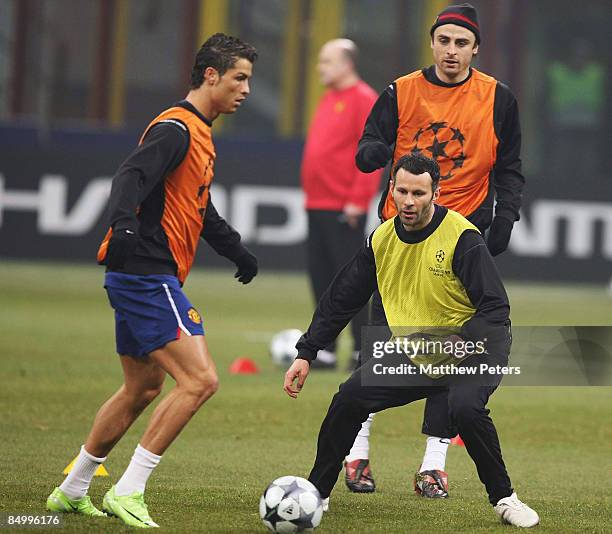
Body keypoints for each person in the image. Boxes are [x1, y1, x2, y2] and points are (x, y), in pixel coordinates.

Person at [45, 33, 258, 528]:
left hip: (143, 273)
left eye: (248, 79)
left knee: (142, 387)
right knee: (200, 380)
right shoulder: (176, 128)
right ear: (211, 76)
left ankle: (73, 489)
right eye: (239, 78)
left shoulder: (200, 133)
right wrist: (122, 224)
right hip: (145, 272)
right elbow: (128, 177)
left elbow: (199, 210)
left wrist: (237, 251)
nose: (245, 89)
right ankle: (129, 489)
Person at [284, 152, 539, 528]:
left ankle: (504, 498)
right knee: (350, 397)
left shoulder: (462, 237)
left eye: (419, 193)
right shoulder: (382, 239)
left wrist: (460, 343)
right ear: (391, 189)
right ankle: (316, 494)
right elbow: (342, 298)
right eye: (402, 190)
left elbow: (496, 308)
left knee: (465, 408)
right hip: (421, 351)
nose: (408, 201)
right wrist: (307, 352)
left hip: (478, 346)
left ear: (436, 193)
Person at [345, 2, 526, 496]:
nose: (451, 51)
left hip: (460, 244)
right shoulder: (400, 91)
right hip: (400, 239)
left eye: (461, 43)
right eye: (444, 41)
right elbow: (367, 147)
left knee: (452, 354)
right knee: (383, 345)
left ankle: (433, 465)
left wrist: (506, 215)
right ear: (432, 43)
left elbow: (509, 167)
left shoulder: (497, 98)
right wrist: (373, 154)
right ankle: (357, 453)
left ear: (475, 49)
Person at [301, 38, 382, 371]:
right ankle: (327, 348)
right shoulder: (329, 98)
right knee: (320, 278)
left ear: (347, 64)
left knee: (351, 281)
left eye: (327, 62)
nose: (321, 68)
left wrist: (357, 201)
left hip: (343, 207)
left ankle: (365, 350)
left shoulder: (364, 99)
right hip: (317, 203)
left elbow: (372, 155)